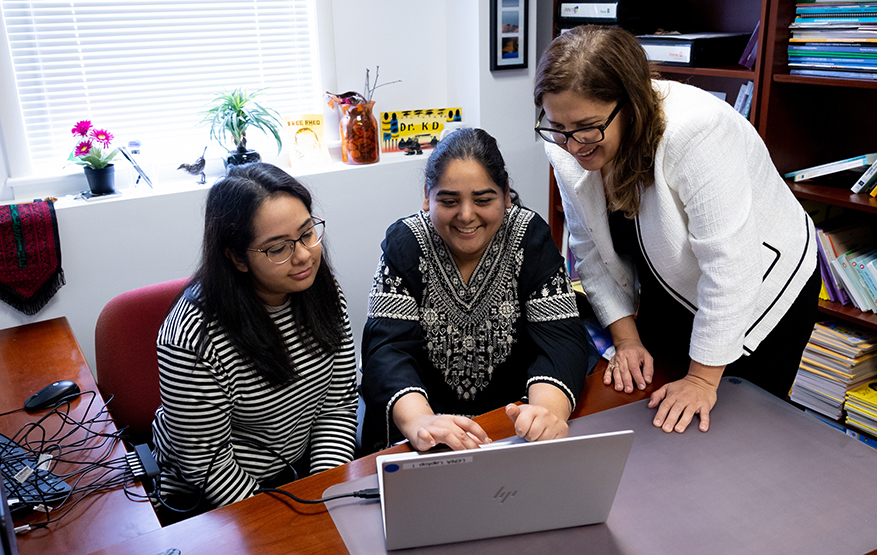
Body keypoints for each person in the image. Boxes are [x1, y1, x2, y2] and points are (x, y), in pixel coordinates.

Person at [533, 26, 819, 434]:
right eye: (557, 127)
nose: (573, 145)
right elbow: (589, 248)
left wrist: (702, 379)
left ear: (630, 105)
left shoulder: (697, 131)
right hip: (671, 279)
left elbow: (731, 266)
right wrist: (627, 339)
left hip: (761, 288)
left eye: (586, 128)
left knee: (733, 428)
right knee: (658, 406)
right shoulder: (564, 137)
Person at [360, 128, 597, 454]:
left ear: (506, 195)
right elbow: (387, 351)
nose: (466, 215)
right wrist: (422, 423)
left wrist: (547, 413)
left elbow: (559, 340)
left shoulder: (531, 238)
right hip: (426, 437)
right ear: (427, 196)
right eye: (449, 201)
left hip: (510, 429)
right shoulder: (405, 243)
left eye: (483, 200)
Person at [151, 163, 358, 522]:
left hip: (298, 473)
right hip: (212, 500)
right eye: (278, 248)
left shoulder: (319, 289)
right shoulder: (192, 338)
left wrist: (324, 495)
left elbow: (336, 406)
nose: (304, 255)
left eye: (308, 233)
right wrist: (284, 523)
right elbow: (208, 465)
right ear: (236, 257)